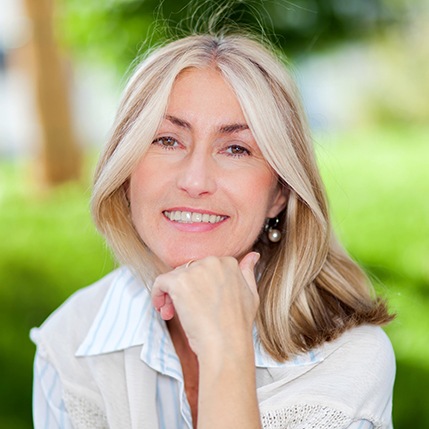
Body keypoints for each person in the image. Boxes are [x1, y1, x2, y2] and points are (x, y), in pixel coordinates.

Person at [31, 31, 395, 429]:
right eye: (167, 140)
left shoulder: (347, 358)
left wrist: (225, 353)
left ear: (280, 193)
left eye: (236, 149)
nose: (195, 179)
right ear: (126, 173)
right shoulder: (69, 342)